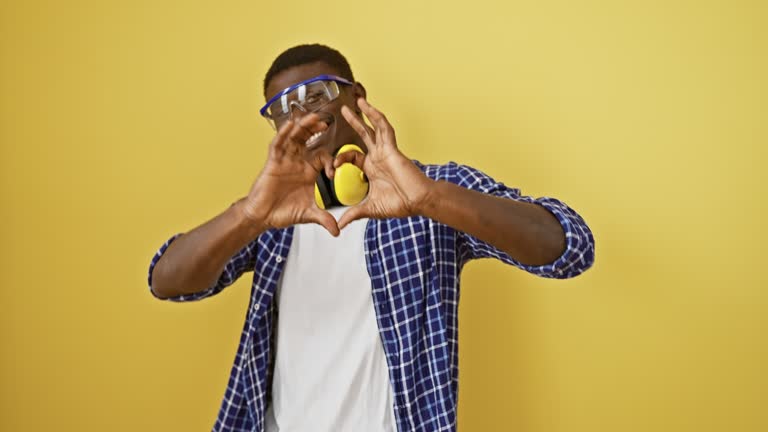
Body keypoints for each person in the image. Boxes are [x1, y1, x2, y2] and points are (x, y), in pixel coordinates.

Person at [147, 44, 595, 432]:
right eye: (282, 110)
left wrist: (430, 199)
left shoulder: (430, 191)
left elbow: (570, 247)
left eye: (314, 95)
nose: (301, 117)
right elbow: (166, 280)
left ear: (355, 97)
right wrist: (249, 214)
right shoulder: (271, 213)